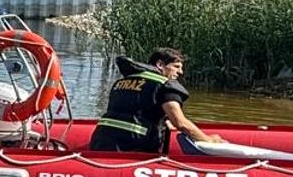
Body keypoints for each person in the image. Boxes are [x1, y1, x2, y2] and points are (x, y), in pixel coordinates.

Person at [88, 47, 223, 152]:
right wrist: (208, 140)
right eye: (176, 67)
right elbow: (180, 122)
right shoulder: (164, 84)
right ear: (160, 64)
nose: (180, 72)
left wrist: (163, 122)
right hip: (132, 147)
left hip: (100, 141)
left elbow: (135, 113)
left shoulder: (123, 81)